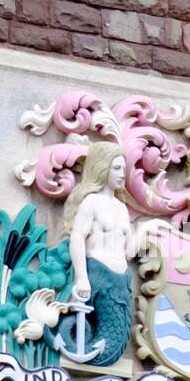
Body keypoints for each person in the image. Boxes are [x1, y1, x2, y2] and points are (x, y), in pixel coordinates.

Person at [57, 141, 135, 366]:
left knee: (117, 336)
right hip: (99, 275)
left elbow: (129, 250)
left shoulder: (122, 208)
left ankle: (98, 352)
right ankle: (70, 340)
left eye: (124, 168)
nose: (122, 174)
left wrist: (154, 228)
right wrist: (81, 277)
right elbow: (78, 237)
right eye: (116, 168)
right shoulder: (91, 202)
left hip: (121, 282)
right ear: (102, 169)